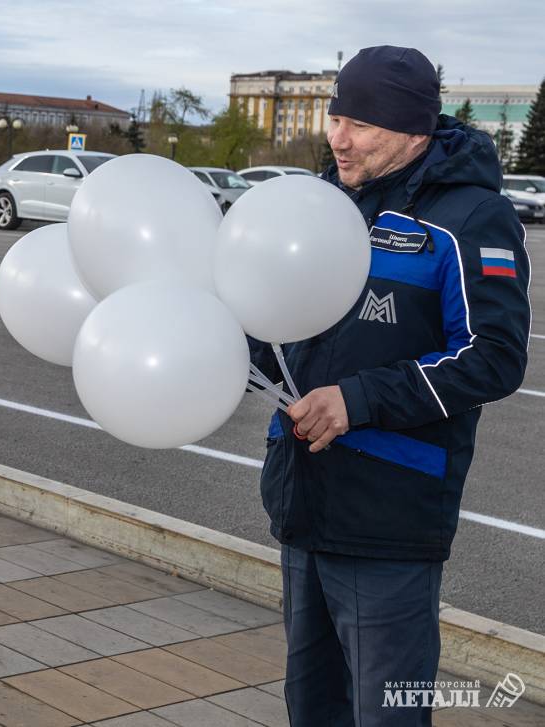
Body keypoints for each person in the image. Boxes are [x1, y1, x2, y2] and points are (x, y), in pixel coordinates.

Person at [252, 46, 531, 727]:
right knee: (312, 707)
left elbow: (494, 356)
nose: (337, 137)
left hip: (389, 520)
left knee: (384, 715)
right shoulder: (322, 204)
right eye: (335, 116)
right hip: (303, 503)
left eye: (360, 124)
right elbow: (282, 320)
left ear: (412, 129)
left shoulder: (470, 220)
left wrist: (357, 400)